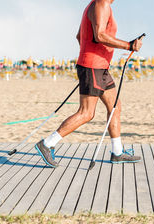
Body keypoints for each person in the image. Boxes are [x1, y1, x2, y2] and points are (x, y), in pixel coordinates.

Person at [35, 0, 143, 168]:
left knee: (115, 106)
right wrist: (128, 45)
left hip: (99, 67)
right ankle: (47, 144)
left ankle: (117, 152)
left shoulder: (96, 4)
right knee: (86, 113)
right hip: (93, 67)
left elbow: (80, 36)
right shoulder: (101, 4)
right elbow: (99, 35)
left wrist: (92, 55)